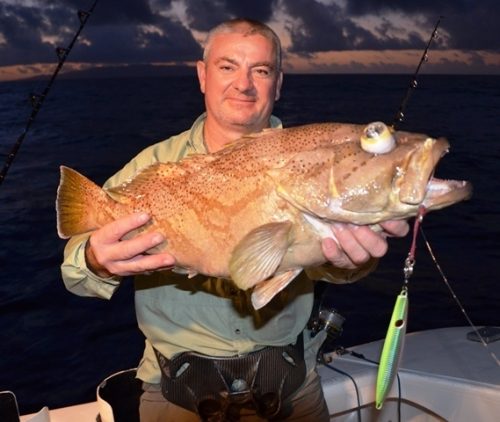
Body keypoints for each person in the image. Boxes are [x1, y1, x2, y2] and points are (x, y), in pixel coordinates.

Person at [61, 18, 409, 421]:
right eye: (227, 67)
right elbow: (75, 275)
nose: (243, 84)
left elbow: (331, 263)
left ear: (278, 83)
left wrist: (353, 264)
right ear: (202, 75)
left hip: (293, 394)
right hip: (179, 400)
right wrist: (94, 259)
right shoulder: (154, 165)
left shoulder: (314, 163)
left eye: (260, 71)